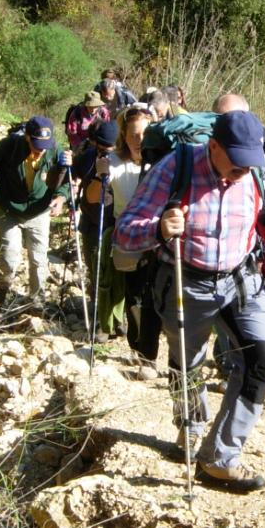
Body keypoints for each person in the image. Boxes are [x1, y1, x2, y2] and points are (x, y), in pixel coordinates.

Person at [116, 110, 265, 493]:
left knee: (263, 360)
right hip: (186, 282)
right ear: (214, 146)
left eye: (249, 162)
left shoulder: (257, 168)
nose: (243, 170)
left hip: (242, 280)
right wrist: (158, 228)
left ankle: (220, 457)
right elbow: (125, 232)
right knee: (187, 365)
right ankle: (189, 431)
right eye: (236, 161)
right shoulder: (177, 166)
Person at [0, 116, 71, 313]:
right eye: (36, 144)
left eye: (44, 144)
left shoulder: (54, 151)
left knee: (38, 259)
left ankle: (37, 303)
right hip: (10, 210)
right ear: (27, 137)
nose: (41, 149)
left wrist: (61, 198)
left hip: (39, 212)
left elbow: (67, 180)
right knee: (9, 258)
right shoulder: (10, 146)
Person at [107, 105, 159, 359]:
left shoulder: (164, 161)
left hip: (161, 239)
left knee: (158, 296)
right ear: (123, 136)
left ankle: (155, 348)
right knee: (136, 296)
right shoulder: (113, 162)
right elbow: (94, 199)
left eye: (144, 135)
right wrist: (98, 176)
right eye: (133, 135)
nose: (139, 141)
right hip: (131, 238)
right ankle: (142, 351)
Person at [71, 119, 123, 339]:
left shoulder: (127, 161)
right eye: (102, 149)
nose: (106, 154)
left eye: (111, 150)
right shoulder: (87, 158)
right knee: (97, 270)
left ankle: (119, 319)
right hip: (93, 224)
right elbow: (70, 178)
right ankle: (100, 320)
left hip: (120, 224)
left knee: (120, 273)